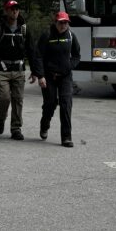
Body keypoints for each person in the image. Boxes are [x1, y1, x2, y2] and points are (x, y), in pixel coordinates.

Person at [31, 11, 81, 148]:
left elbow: (77, 55)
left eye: (66, 23)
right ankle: (44, 125)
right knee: (50, 103)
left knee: (66, 104)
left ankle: (66, 137)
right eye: (61, 22)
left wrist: (69, 66)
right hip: (49, 76)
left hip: (65, 76)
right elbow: (38, 56)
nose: (63, 25)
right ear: (55, 22)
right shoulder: (47, 35)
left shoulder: (71, 36)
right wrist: (40, 76)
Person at [0, 0, 32, 140]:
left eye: (17, 9)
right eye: (11, 9)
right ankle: (1, 119)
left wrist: (37, 72)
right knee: (4, 98)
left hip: (18, 69)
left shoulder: (24, 29)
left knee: (18, 99)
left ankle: (16, 128)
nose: (15, 11)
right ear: (6, 11)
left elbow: (32, 51)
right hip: (2, 70)